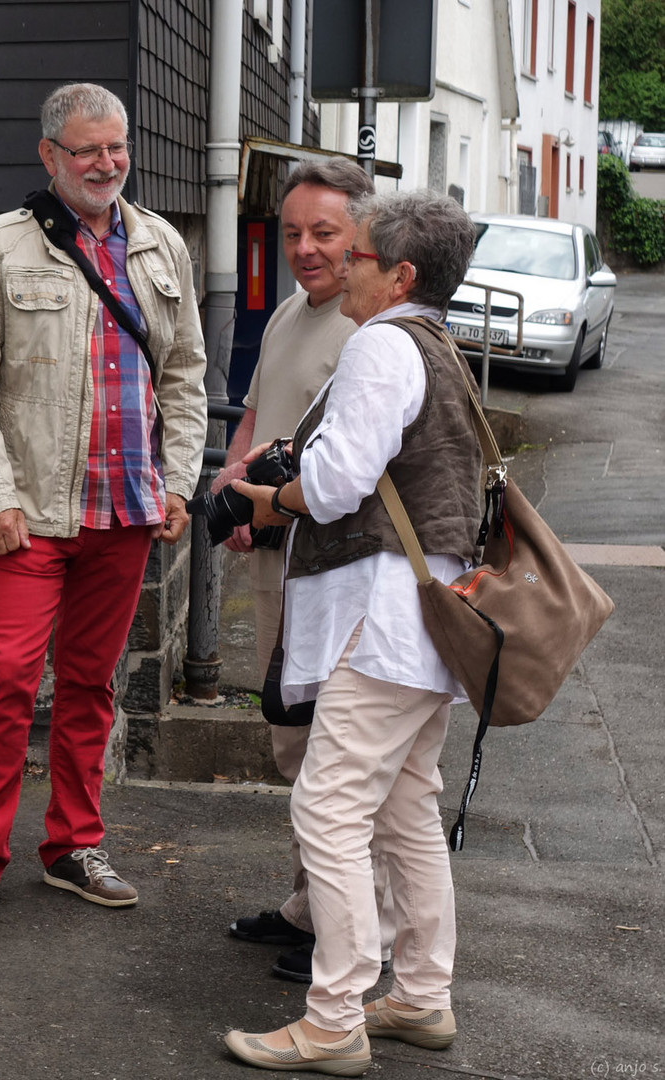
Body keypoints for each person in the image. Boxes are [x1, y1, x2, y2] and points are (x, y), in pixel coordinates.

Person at [0, 82, 207, 924]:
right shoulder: (3, 248)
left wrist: (178, 481)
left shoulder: (159, 245)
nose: (106, 164)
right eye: (87, 150)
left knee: (91, 682)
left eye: (116, 147)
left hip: (125, 509)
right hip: (30, 514)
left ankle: (75, 845)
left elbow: (185, 373)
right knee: (7, 677)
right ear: (50, 156)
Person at [222, 189, 482, 1074]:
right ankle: (420, 993)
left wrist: (267, 496)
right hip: (431, 621)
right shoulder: (440, 346)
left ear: (400, 273)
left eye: (358, 253)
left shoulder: (379, 345)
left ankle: (334, 1017)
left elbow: (335, 486)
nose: (341, 263)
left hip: (379, 623)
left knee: (328, 809)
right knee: (408, 811)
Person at [213, 159, 392, 983]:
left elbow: (354, 468)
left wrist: (265, 503)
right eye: (292, 233)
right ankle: (308, 904)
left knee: (340, 755)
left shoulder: (369, 327)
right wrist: (230, 472)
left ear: (361, 234)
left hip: (335, 568)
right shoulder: (291, 311)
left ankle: (358, 931)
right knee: (294, 741)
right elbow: (259, 411)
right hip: (277, 560)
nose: (306, 249)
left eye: (324, 232)